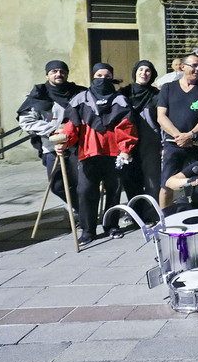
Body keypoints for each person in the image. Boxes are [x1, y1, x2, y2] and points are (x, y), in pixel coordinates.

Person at [58, 63, 138, 243]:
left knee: (114, 191)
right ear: (93, 77)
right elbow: (71, 126)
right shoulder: (80, 99)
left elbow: (127, 127)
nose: (103, 79)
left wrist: (125, 149)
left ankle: (112, 225)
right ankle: (88, 230)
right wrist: (64, 142)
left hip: (114, 154)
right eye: (99, 75)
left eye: (107, 76)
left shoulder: (120, 100)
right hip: (89, 153)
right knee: (86, 191)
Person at [17, 60, 85, 215]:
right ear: (47, 75)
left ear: (67, 74)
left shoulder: (78, 93)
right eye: (54, 71)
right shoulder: (39, 95)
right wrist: (54, 130)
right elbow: (26, 121)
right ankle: (80, 208)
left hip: (77, 146)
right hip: (52, 147)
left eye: (62, 71)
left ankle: (83, 214)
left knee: (79, 183)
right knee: (57, 185)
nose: (58, 74)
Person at [157, 53, 198, 209]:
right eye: (194, 65)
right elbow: (161, 117)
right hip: (173, 144)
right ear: (183, 67)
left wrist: (191, 135)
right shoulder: (168, 88)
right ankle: (165, 220)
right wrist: (179, 137)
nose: (197, 69)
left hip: (197, 144)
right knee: (167, 184)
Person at [120, 60, 162, 203]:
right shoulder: (124, 92)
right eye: (141, 70)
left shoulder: (157, 94)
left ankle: (151, 212)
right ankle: (134, 211)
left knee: (152, 179)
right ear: (135, 72)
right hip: (128, 142)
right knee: (130, 178)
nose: (144, 73)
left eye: (148, 70)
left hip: (150, 142)